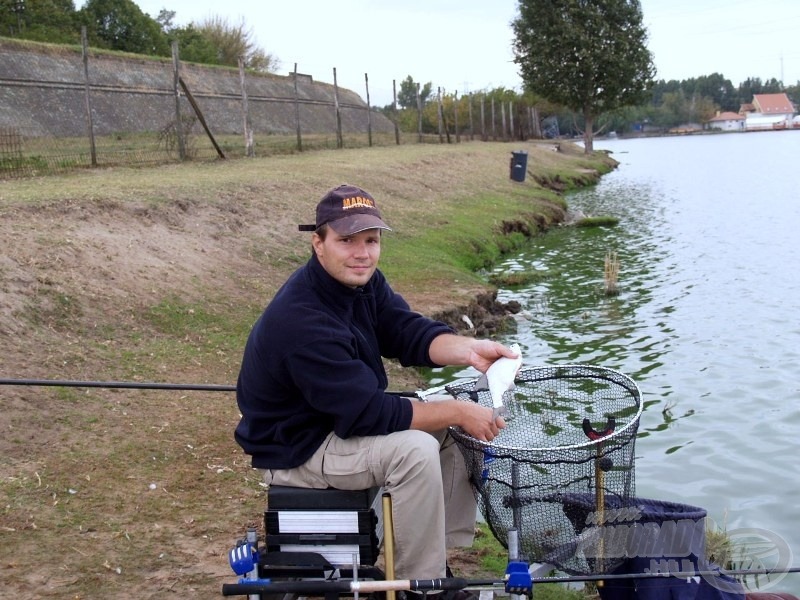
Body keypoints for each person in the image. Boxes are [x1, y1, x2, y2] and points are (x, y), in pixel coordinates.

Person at [234, 183, 518, 586]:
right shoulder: (302, 319)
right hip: (298, 447)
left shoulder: (362, 283)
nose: (362, 253)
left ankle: (436, 555)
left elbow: (405, 331)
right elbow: (369, 414)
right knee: (416, 448)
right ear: (319, 243)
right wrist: (458, 410)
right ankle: (420, 587)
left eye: (371, 240)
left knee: (450, 428)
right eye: (346, 240)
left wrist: (470, 350)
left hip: (334, 420)